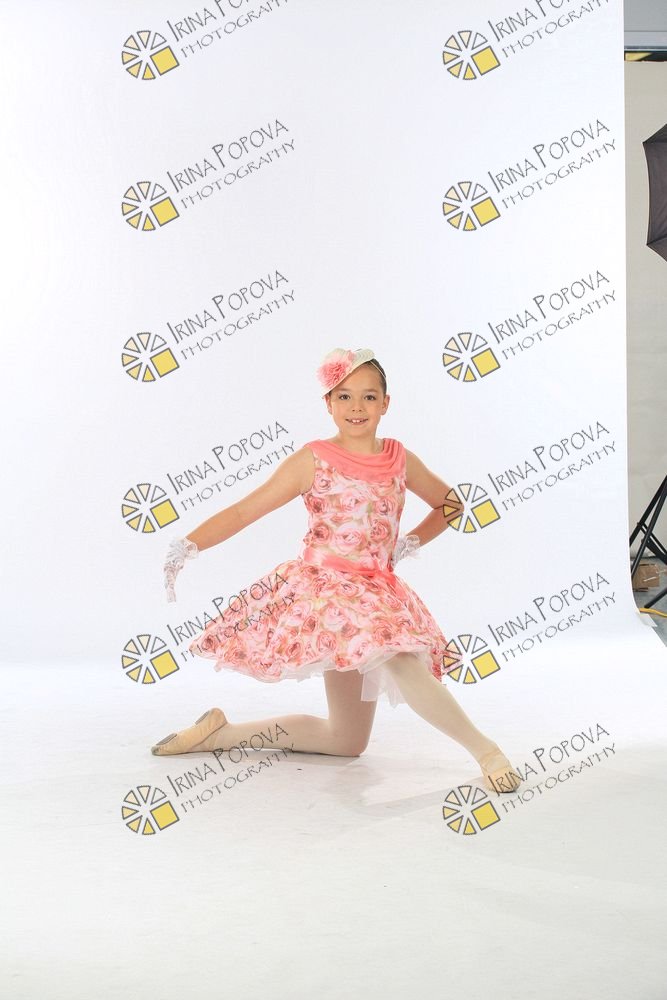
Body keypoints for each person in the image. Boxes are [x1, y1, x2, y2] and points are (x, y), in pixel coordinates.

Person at [152, 347, 521, 794]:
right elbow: (245, 511)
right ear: (328, 404)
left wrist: (408, 542)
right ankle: (487, 751)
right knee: (398, 655)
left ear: (385, 404)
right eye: (344, 397)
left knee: (346, 741)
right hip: (326, 591)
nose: (356, 407)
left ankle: (220, 734)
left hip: (376, 588)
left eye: (369, 397)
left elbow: (451, 505)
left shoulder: (400, 458)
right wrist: (188, 545)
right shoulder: (312, 459)